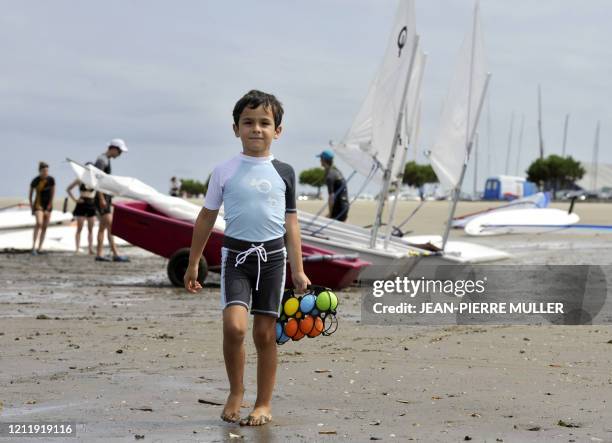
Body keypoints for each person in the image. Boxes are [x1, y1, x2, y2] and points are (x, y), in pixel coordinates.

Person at [184, 90, 310, 426]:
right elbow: (207, 216)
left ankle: (263, 403)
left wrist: (298, 270)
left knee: (265, 335)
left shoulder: (285, 172)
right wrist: (194, 261)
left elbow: (291, 223)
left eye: (265, 123)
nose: (256, 129)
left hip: (272, 259)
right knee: (235, 327)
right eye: (248, 122)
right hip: (236, 258)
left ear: (277, 131)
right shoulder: (224, 171)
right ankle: (236, 391)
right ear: (236, 128)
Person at [93, 139, 129, 262]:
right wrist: (102, 198)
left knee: (104, 227)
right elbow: (97, 180)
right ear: (113, 148)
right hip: (101, 198)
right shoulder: (102, 160)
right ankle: (114, 253)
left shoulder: (105, 159)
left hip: (105, 198)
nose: (120, 154)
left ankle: (100, 254)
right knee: (110, 226)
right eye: (119, 151)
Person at [66, 165, 96, 254]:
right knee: (80, 228)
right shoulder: (80, 179)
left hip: (91, 204)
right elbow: (68, 189)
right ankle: (77, 248)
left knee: (91, 229)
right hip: (82, 203)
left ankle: (90, 249)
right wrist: (75, 199)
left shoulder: (95, 180)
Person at [29, 161, 55, 255]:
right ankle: (33, 247)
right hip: (38, 205)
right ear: (40, 171)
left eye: (47, 170)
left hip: (48, 205)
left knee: (45, 227)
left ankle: (40, 248)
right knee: (39, 223)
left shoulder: (51, 180)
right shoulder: (35, 181)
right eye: (44, 170)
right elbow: (30, 195)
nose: (46, 172)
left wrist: (50, 205)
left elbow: (52, 193)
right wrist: (32, 207)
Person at [317, 149, 349, 221]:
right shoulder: (336, 171)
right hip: (345, 206)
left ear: (324, 160)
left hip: (339, 208)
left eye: (320, 159)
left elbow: (331, 196)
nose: (320, 161)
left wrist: (330, 213)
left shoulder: (330, 176)